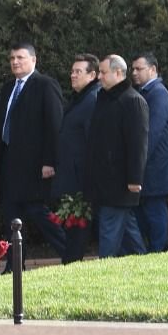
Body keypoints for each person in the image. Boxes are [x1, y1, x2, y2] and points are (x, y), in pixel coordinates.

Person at [0, 42, 68, 264]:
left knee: (38, 212)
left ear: (33, 60)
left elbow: (54, 125)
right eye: (12, 58)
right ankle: (15, 265)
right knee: (11, 215)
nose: (15, 62)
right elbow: (2, 125)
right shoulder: (8, 88)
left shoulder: (45, 85)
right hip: (9, 164)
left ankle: (69, 253)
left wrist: (49, 160)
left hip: (34, 165)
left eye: (20, 58)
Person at [86, 55, 149, 258]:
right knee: (127, 231)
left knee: (110, 231)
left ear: (119, 73)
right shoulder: (104, 99)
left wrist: (134, 179)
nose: (100, 77)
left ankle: (105, 268)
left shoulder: (132, 101)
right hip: (105, 179)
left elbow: (137, 143)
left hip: (120, 181)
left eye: (104, 73)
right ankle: (143, 263)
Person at [52, 53, 100, 263]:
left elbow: (92, 142)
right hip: (71, 176)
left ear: (93, 75)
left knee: (79, 230)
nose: (72, 75)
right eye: (72, 71)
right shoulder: (79, 99)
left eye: (78, 72)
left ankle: (71, 264)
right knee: (74, 229)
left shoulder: (92, 99)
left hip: (80, 179)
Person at [129, 53, 168, 253]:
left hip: (154, 167)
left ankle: (158, 249)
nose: (134, 73)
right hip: (147, 166)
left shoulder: (159, 94)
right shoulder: (146, 93)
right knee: (144, 211)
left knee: (154, 210)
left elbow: (151, 133)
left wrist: (136, 162)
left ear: (153, 69)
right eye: (133, 69)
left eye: (139, 69)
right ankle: (151, 248)